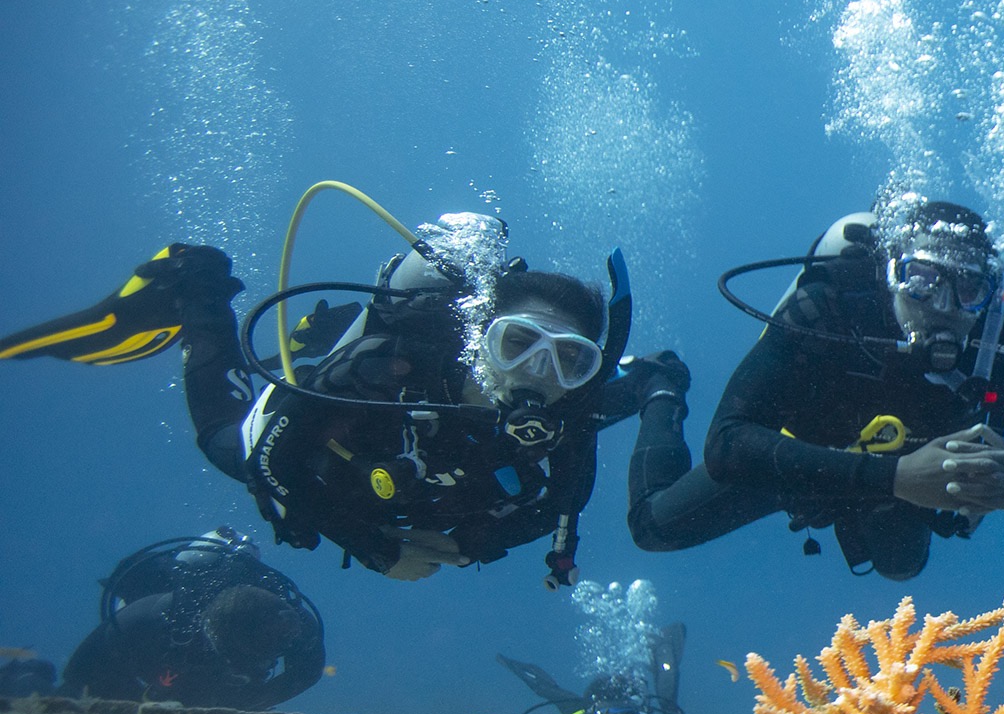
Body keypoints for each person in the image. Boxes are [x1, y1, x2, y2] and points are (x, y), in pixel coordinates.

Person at [0, 207, 678, 586]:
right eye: (516, 344)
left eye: (568, 359)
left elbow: (563, 501)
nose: (538, 373)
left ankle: (308, 328)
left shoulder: (572, 411)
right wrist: (377, 549)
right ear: (479, 335)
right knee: (226, 446)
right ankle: (197, 300)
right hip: (325, 445)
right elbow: (271, 463)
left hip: (395, 480)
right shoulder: (384, 368)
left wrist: (480, 543)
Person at [627, 191, 1004, 580]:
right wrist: (897, 478)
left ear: (991, 297)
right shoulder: (828, 311)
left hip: (900, 486)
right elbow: (727, 444)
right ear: (892, 274)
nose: (942, 305)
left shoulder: (1003, 355)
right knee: (653, 529)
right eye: (921, 279)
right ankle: (663, 385)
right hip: (794, 463)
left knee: (902, 568)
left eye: (968, 289)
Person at [58, 528, 326, 709]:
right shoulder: (152, 614)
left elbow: (309, 668)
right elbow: (80, 675)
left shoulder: (291, 621)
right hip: (148, 675)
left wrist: (254, 699)